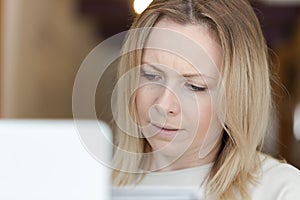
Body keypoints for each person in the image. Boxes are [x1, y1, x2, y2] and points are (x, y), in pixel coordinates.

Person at [110, 0, 300, 199]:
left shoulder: (281, 190)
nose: (163, 105)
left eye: (194, 87)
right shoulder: (91, 183)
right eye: (151, 75)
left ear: (237, 96)